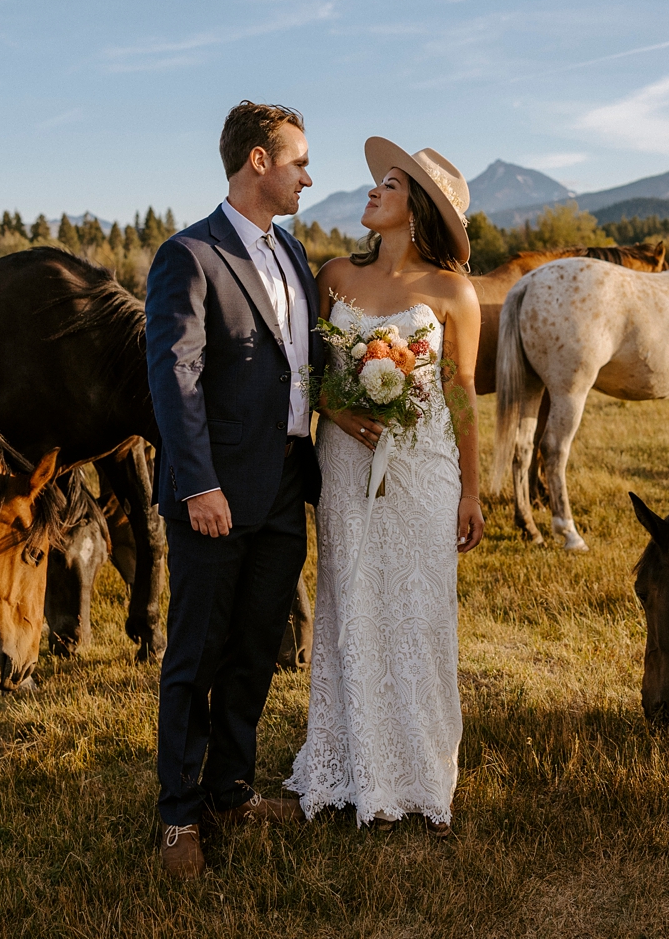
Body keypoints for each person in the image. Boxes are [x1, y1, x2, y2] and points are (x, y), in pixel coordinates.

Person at [284, 136, 485, 836]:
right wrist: (336, 411)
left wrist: (471, 490)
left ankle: (418, 773)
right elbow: (304, 368)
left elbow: (460, 393)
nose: (373, 190)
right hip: (344, 462)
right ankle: (346, 767)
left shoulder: (455, 292)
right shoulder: (336, 274)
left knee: (419, 614)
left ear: (419, 209)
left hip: (422, 470)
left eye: (390, 184)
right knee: (353, 603)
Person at [145, 101, 323, 879]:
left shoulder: (293, 255)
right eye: (298, 161)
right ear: (258, 161)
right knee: (198, 652)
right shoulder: (189, 255)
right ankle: (177, 818)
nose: (307, 177)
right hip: (214, 492)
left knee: (256, 648)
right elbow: (173, 379)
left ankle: (232, 788)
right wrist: (198, 485)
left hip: (287, 483)